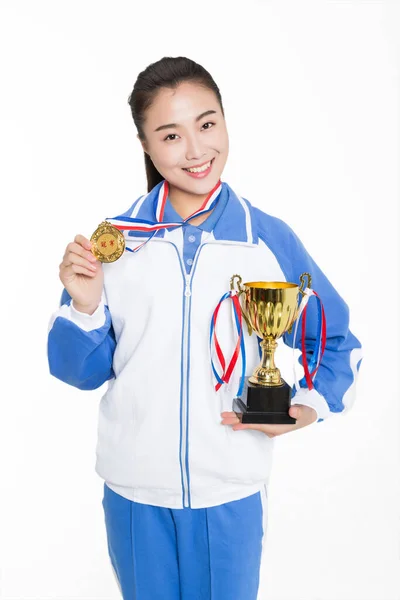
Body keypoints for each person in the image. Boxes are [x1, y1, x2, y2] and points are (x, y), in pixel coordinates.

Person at [47, 56, 363, 600]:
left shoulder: (266, 239)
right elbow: (77, 371)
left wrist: (309, 405)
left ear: (224, 122)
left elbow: (336, 341)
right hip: (134, 495)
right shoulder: (115, 242)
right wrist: (85, 305)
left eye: (207, 124)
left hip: (230, 494)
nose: (196, 150)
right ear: (146, 146)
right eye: (171, 135)